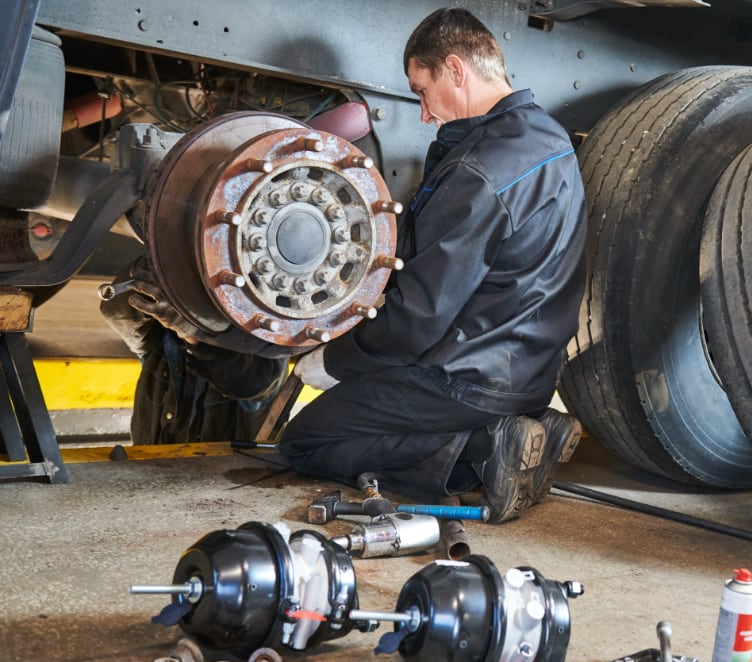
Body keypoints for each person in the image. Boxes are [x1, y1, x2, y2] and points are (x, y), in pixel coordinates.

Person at [276, 8, 587, 522]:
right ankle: (529, 428)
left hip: (469, 380)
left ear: (456, 69)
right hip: (529, 374)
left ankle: (483, 452)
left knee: (305, 442)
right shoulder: (550, 140)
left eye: (422, 90)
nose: (423, 113)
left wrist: (335, 362)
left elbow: (417, 320)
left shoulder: (477, 170)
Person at [100, 256, 289, 444]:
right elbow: (115, 311)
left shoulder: (264, 344)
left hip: (223, 472)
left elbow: (252, 384)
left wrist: (193, 332)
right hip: (153, 466)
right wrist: (154, 265)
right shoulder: (162, 338)